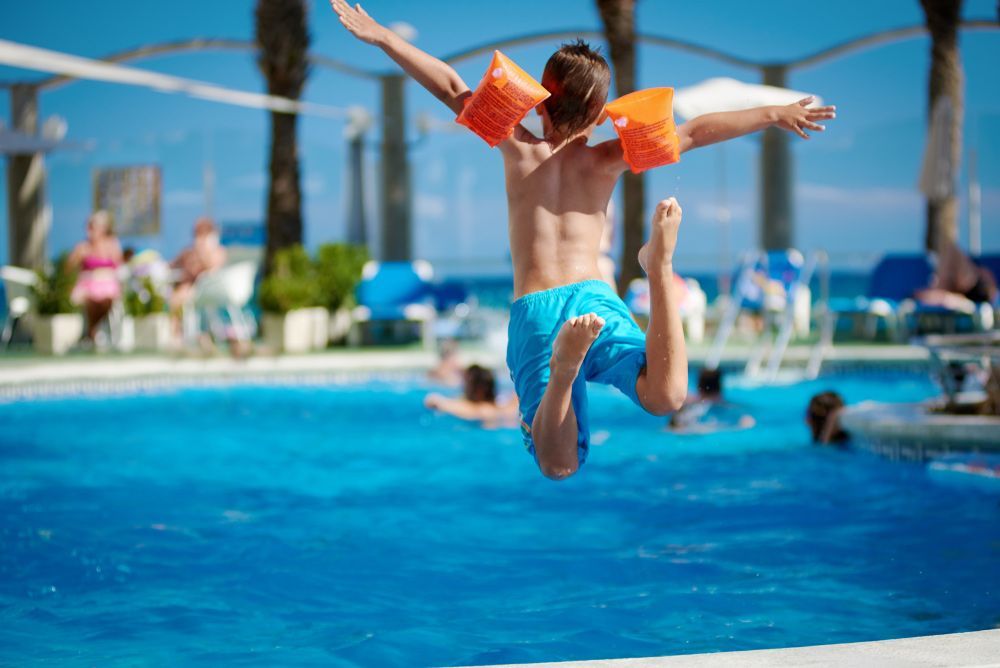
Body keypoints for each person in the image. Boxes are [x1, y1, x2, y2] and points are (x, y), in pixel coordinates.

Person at [332, 1, 836, 479]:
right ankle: (656, 269)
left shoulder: (517, 148)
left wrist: (383, 39)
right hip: (596, 297)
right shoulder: (607, 159)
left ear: (542, 102)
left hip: (537, 312)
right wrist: (773, 113)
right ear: (600, 114)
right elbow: (697, 132)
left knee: (559, 465)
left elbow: (449, 85)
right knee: (667, 399)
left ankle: (565, 367)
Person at [67, 210, 124, 344]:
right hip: (87, 286)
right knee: (90, 301)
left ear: (103, 228)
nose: (89, 230)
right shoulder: (82, 247)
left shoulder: (112, 244)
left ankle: (91, 331)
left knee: (106, 301)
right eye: (88, 226)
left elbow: (120, 266)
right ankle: (93, 332)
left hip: (108, 285)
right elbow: (68, 268)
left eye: (92, 226)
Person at [169, 217, 227, 334]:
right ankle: (176, 333)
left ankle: (177, 333)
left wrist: (203, 249)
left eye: (201, 233)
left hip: (205, 289)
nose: (197, 237)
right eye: (197, 233)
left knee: (178, 298)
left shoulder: (218, 252)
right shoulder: (188, 252)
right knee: (175, 297)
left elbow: (212, 269)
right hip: (187, 286)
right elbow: (172, 265)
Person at [915, 239, 998, 311]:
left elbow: (942, 297)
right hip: (974, 289)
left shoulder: (957, 293)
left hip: (972, 289)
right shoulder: (967, 279)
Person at [424, 364, 520, 427]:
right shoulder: (507, 407)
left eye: (467, 384)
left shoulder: (475, 410)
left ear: (479, 390)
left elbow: (432, 400)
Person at [668, 368, 755, 434]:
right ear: (720, 387)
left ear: (699, 385)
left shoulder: (685, 402)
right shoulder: (727, 406)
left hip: (687, 428)